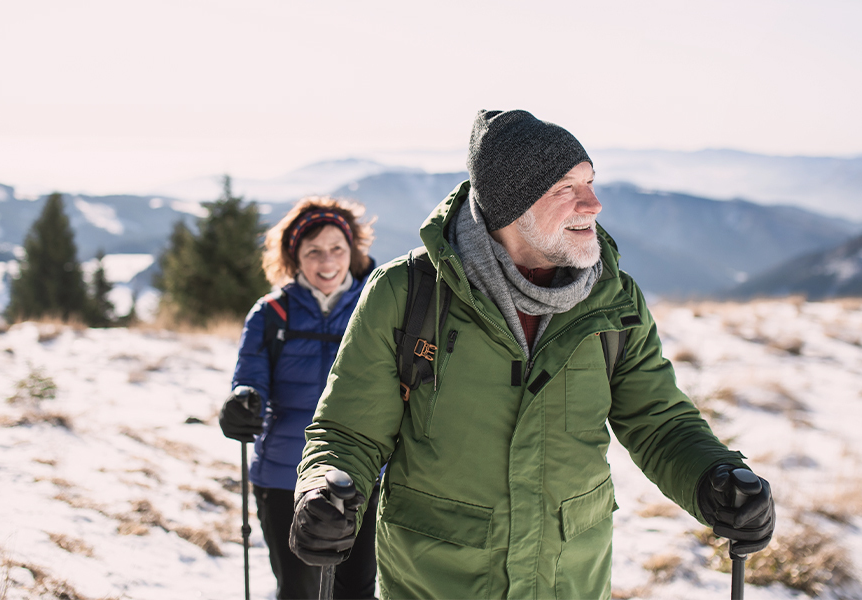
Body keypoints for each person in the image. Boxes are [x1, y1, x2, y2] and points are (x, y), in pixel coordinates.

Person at [288, 110, 776, 599]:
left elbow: (659, 422)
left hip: (569, 581)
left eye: (590, 182)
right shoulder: (409, 292)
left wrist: (712, 476)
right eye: (567, 188)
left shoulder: (613, 299)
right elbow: (350, 430)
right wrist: (324, 489)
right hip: (436, 582)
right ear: (511, 207)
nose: (594, 203)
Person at [219, 196, 378, 599]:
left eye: (336, 249)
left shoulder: (377, 307)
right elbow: (250, 379)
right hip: (283, 476)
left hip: (362, 476)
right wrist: (243, 402)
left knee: (355, 591)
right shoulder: (272, 313)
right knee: (298, 590)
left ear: (353, 252)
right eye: (314, 252)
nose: (327, 262)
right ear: (295, 258)